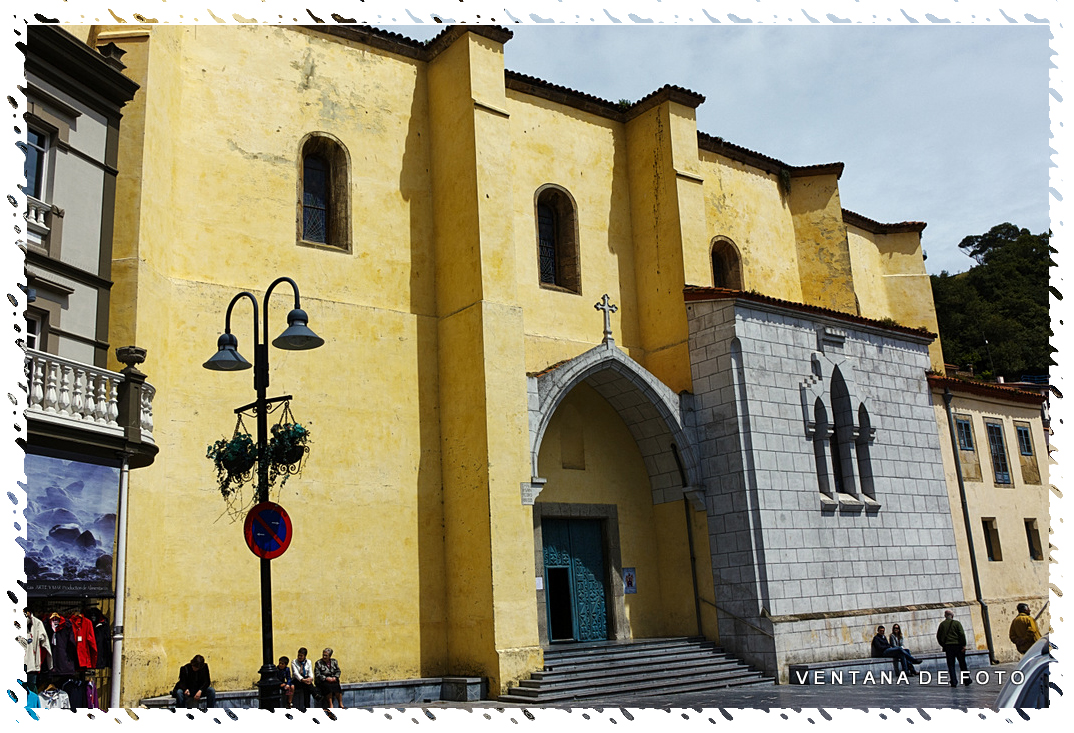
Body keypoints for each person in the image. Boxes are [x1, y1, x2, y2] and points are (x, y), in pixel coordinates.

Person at [936, 610, 971, 687]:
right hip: (958, 646)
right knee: (962, 663)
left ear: (945, 616)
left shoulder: (942, 625)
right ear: (952, 616)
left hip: (948, 647)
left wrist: (943, 645)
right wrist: (963, 645)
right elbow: (961, 634)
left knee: (951, 665)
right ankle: (966, 680)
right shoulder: (956, 623)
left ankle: (954, 681)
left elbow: (939, 636)